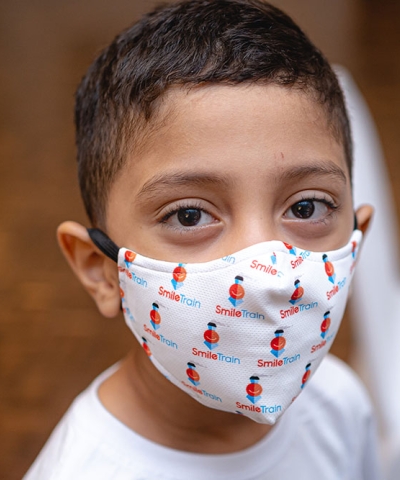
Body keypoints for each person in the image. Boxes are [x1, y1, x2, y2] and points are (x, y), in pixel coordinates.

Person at [25, 0, 380, 478]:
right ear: (100, 269)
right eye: (189, 215)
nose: (264, 275)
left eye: (305, 207)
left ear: (355, 248)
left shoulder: (338, 404)